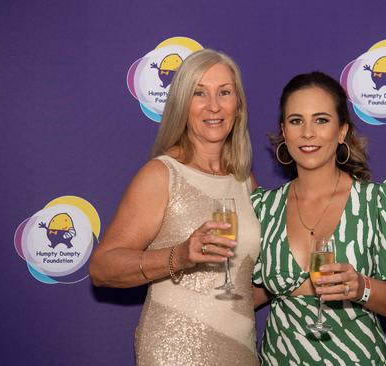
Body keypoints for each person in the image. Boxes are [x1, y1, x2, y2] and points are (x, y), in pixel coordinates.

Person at [89, 49, 260, 366]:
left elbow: (245, 287)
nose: (213, 105)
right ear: (183, 105)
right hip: (175, 353)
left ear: (238, 108)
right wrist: (179, 256)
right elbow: (102, 268)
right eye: (199, 93)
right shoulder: (161, 174)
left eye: (224, 92)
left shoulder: (246, 182)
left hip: (241, 352)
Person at [251, 71, 386, 365]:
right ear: (284, 132)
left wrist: (362, 287)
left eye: (321, 120)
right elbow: (252, 293)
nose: (308, 133)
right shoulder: (263, 208)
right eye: (296, 120)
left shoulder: (377, 202)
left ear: (341, 131)